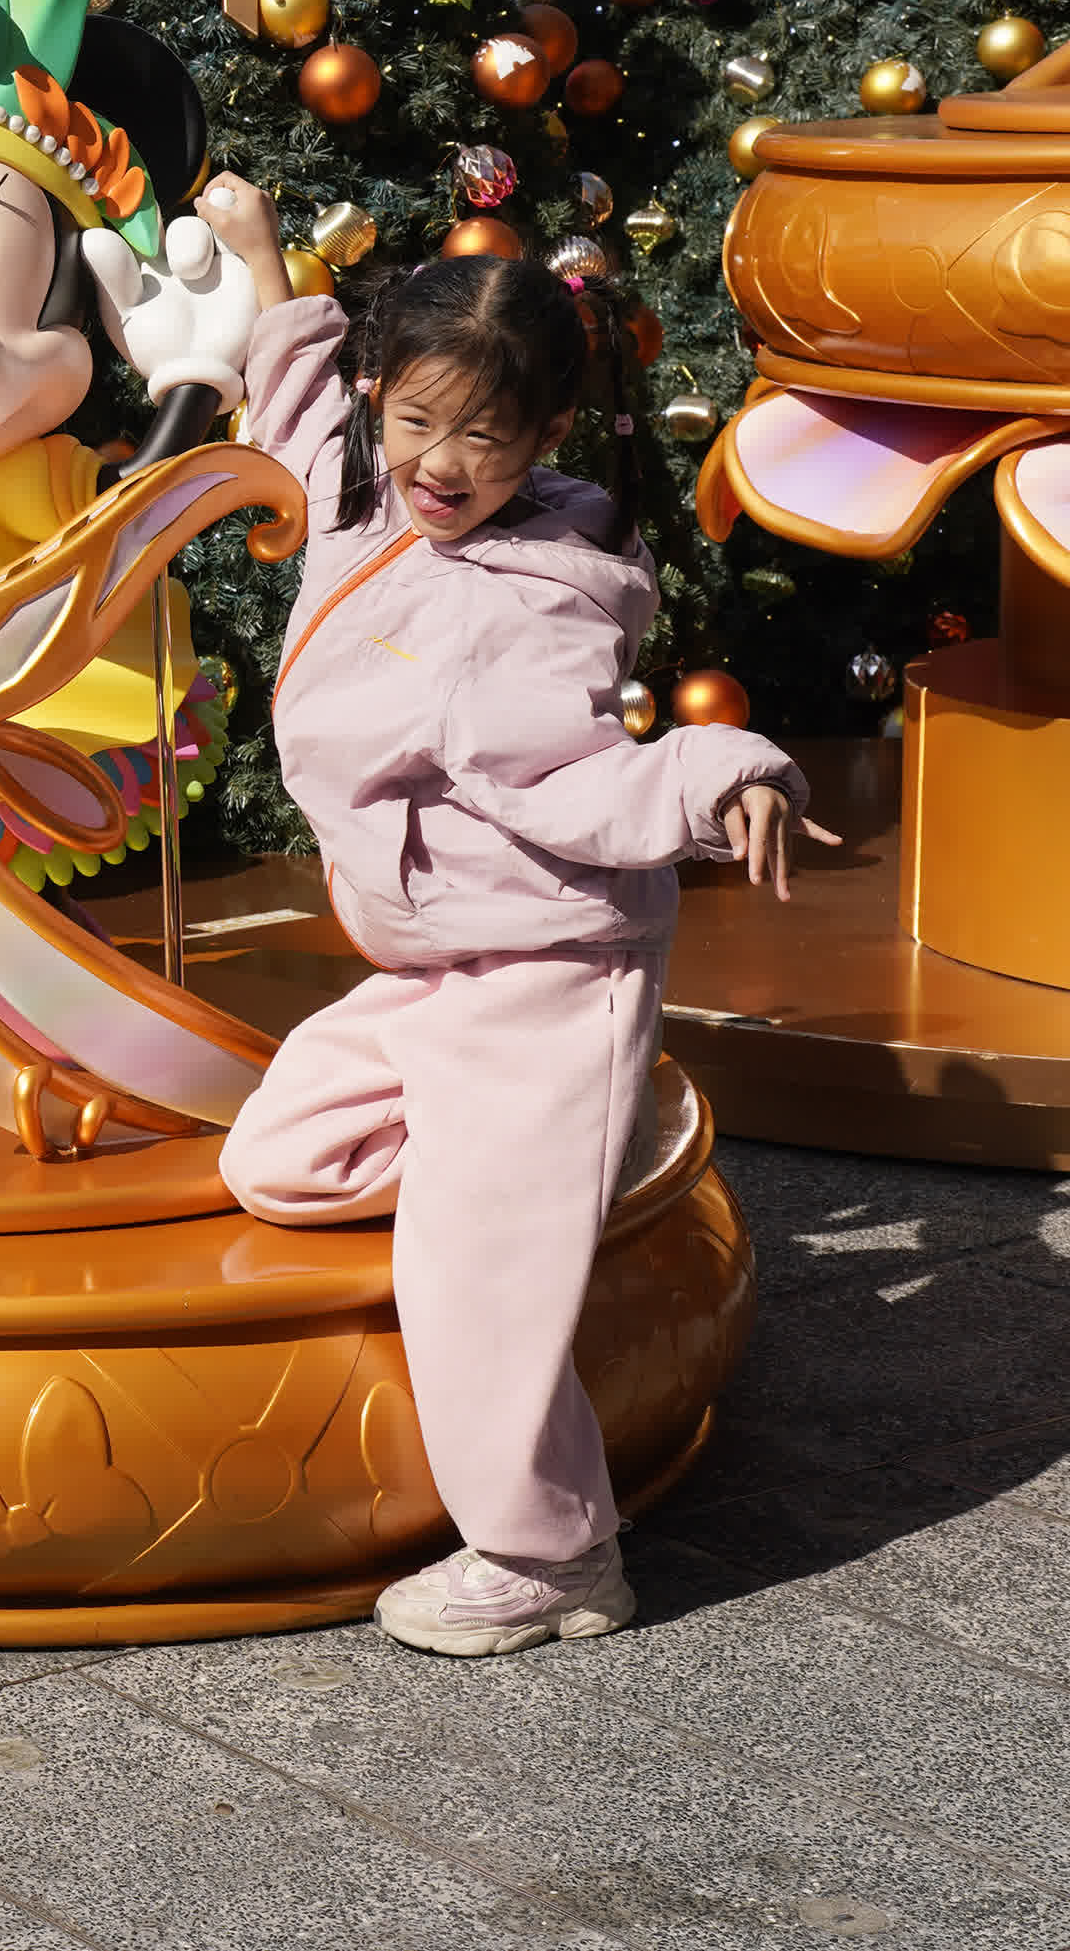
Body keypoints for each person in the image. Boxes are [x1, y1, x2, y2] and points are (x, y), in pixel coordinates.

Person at [205, 206, 820, 1660]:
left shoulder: (536, 605)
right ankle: (552, 1151)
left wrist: (725, 769)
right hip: (435, 968)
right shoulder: (362, 501)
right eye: (417, 418)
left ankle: (554, 1558)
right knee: (279, 1159)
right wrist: (258, 261)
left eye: (483, 439)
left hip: (548, 968)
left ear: (544, 434)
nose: (442, 465)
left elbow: (586, 787)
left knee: (466, 1277)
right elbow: (293, 418)